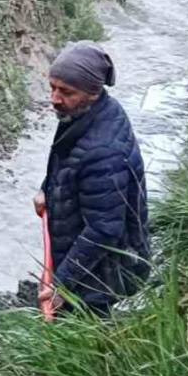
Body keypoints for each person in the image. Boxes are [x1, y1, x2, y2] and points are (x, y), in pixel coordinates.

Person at [34, 42, 150, 316]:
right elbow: (66, 158)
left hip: (105, 269)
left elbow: (103, 230)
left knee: (89, 332)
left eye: (66, 92)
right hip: (88, 257)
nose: (54, 98)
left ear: (93, 92)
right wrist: (45, 189)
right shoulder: (86, 113)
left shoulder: (104, 151)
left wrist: (62, 285)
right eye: (52, 87)